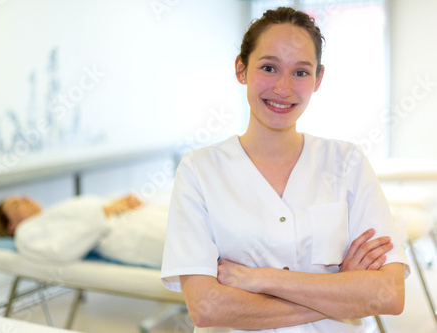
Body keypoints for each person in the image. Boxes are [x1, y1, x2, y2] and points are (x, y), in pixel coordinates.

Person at [160, 7, 409, 333]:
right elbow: (207, 308)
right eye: (269, 67)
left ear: (318, 78)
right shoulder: (199, 171)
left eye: (301, 73)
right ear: (241, 69)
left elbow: (389, 294)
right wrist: (341, 289)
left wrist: (260, 279)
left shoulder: (347, 162)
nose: (283, 88)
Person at [0, 194, 168, 267]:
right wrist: (107, 211)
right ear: (10, 226)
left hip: (136, 219)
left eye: (22, 197)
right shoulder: (26, 232)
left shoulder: (50, 215)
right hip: (129, 235)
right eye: (17, 204)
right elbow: (61, 250)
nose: (26, 199)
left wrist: (121, 201)